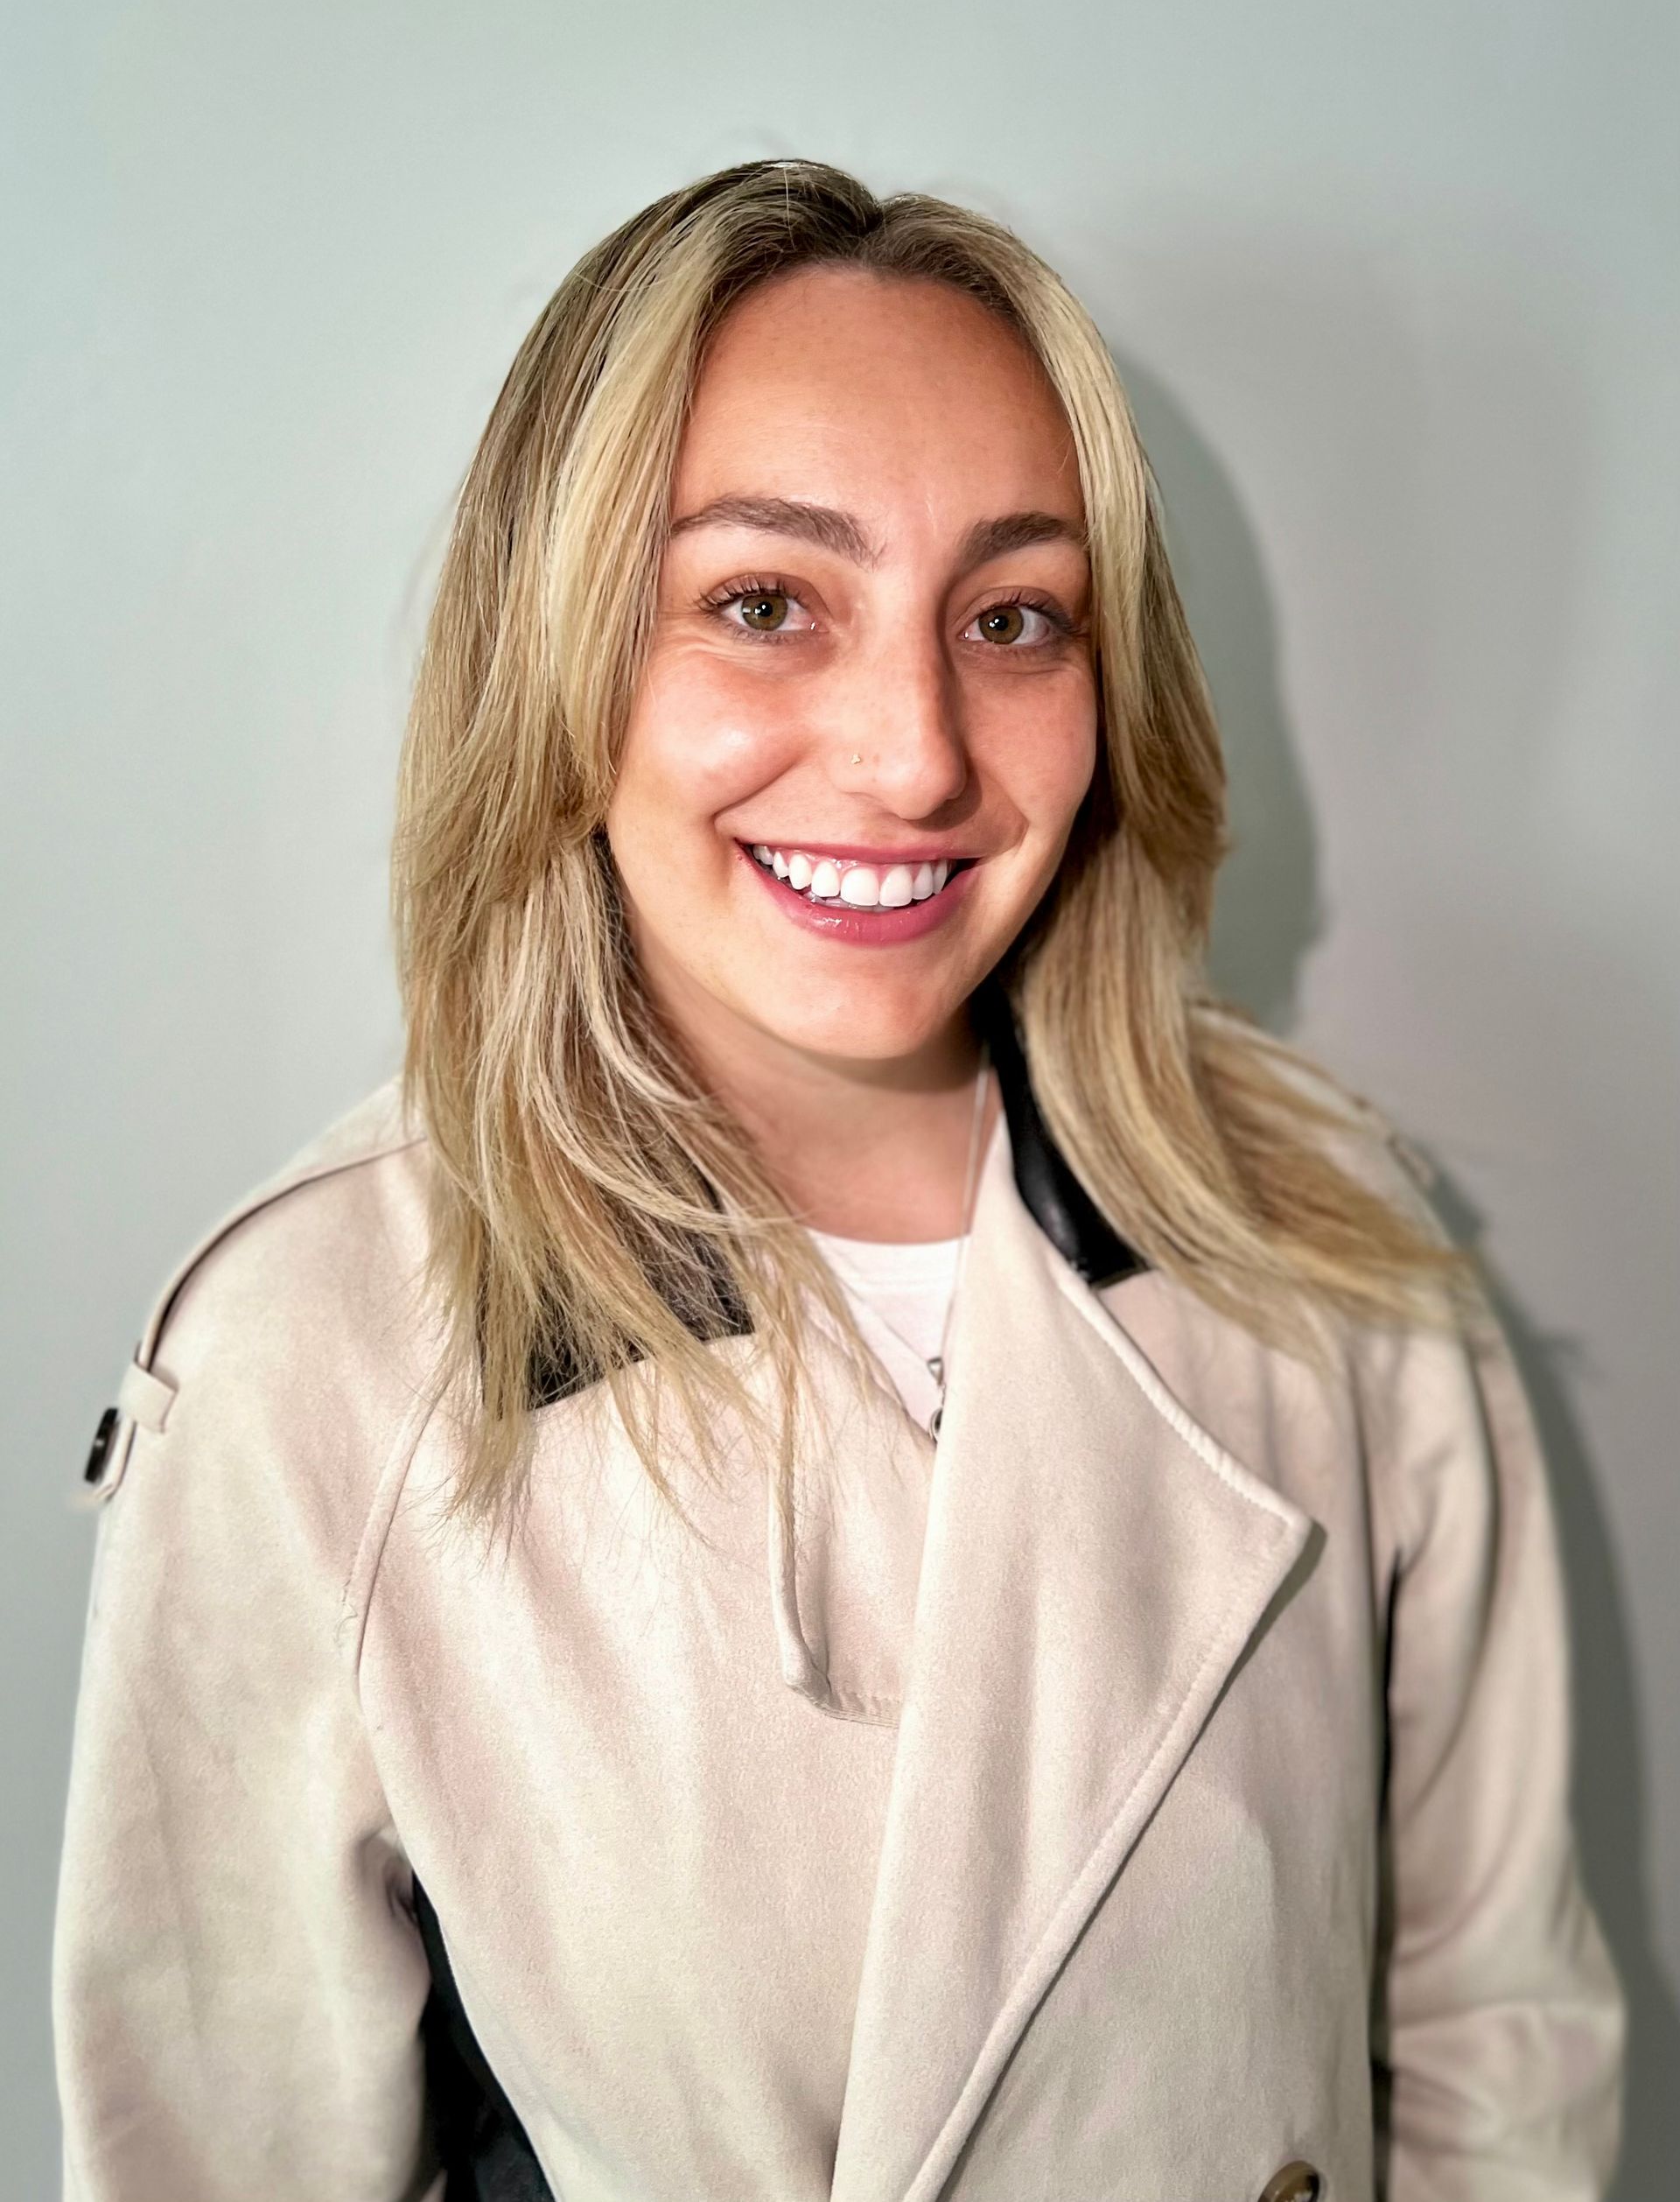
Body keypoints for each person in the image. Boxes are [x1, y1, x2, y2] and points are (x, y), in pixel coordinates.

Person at [52, 158, 1625, 2202]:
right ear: (563, 658)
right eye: (764, 602)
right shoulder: (311, 1357)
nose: (913, 757)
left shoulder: (1330, 1241)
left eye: (1013, 618)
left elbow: (1496, 2027)